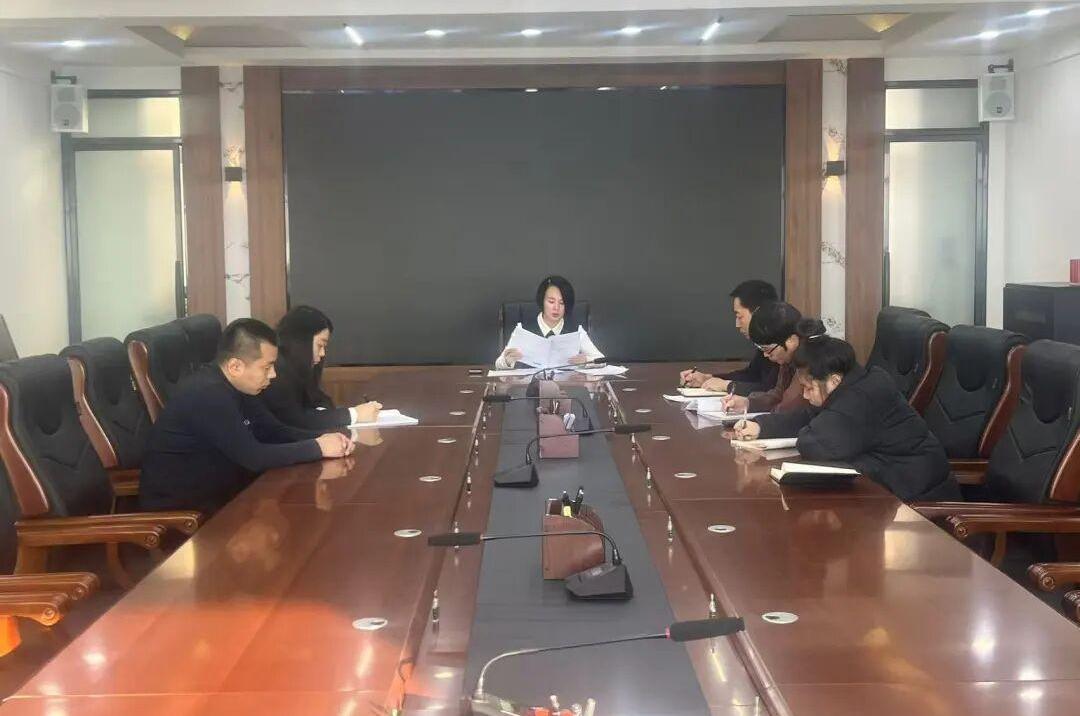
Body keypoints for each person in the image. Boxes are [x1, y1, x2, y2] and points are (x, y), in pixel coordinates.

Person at [140, 318, 355, 515]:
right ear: (235, 366)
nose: (273, 375)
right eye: (267, 367)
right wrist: (318, 447)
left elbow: (274, 431)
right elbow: (254, 458)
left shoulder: (238, 385)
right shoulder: (208, 394)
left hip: (224, 496)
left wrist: (327, 437)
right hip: (185, 513)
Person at [731, 333, 960, 502]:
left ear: (834, 380)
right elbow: (809, 416)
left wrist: (811, 429)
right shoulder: (856, 383)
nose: (805, 395)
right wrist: (761, 426)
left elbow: (815, 445)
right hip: (882, 488)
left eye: (809, 388)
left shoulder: (863, 397)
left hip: (918, 499)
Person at [259, 306, 381, 430]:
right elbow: (294, 420)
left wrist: (323, 413)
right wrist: (354, 414)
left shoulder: (296, 367)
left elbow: (319, 400)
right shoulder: (276, 370)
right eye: (320, 345)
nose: (322, 353)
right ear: (301, 341)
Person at [680, 279, 780, 396]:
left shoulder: (781, 342)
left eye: (739, 316)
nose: (737, 324)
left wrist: (728, 385)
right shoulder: (764, 340)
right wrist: (707, 378)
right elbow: (752, 375)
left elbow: (772, 390)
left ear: (758, 312)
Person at [722, 305, 816, 415]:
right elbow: (778, 394)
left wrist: (760, 422)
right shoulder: (788, 357)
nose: (766, 355)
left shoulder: (810, 359)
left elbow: (790, 405)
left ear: (792, 340)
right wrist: (748, 403)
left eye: (768, 349)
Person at [496, 275, 604, 369]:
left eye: (562, 303)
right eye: (551, 302)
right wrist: (508, 361)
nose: (556, 307)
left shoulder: (576, 331)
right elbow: (499, 363)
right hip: (532, 385)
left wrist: (586, 360)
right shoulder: (523, 329)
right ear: (542, 301)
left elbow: (601, 360)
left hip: (565, 385)